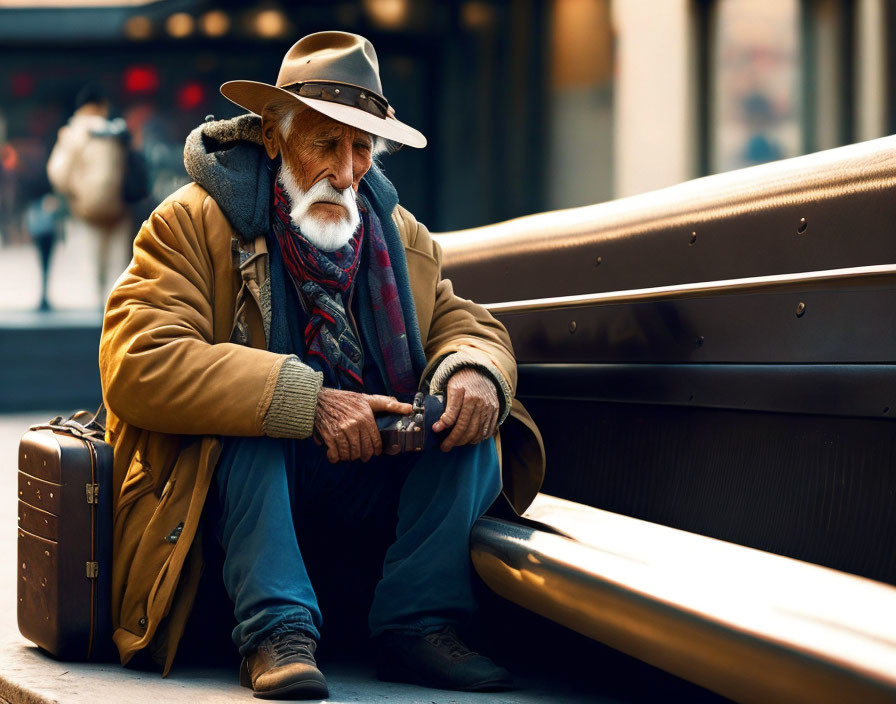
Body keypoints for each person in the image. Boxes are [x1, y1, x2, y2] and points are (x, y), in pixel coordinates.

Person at [99, 31, 544, 700]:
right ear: (274, 138)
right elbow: (138, 360)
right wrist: (304, 402)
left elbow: (465, 324)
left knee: (470, 427)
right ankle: (276, 633)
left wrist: (471, 369)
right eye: (324, 144)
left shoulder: (402, 239)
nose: (345, 170)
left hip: (360, 502)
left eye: (361, 148)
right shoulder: (190, 223)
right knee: (253, 430)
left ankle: (417, 626)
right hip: (224, 527)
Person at [47, 84, 133, 302]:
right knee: (121, 264)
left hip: (87, 206)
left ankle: (98, 305)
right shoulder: (115, 131)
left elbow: (57, 172)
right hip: (118, 205)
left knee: (94, 262)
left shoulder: (72, 133)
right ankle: (120, 307)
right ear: (100, 106)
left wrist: (73, 191)